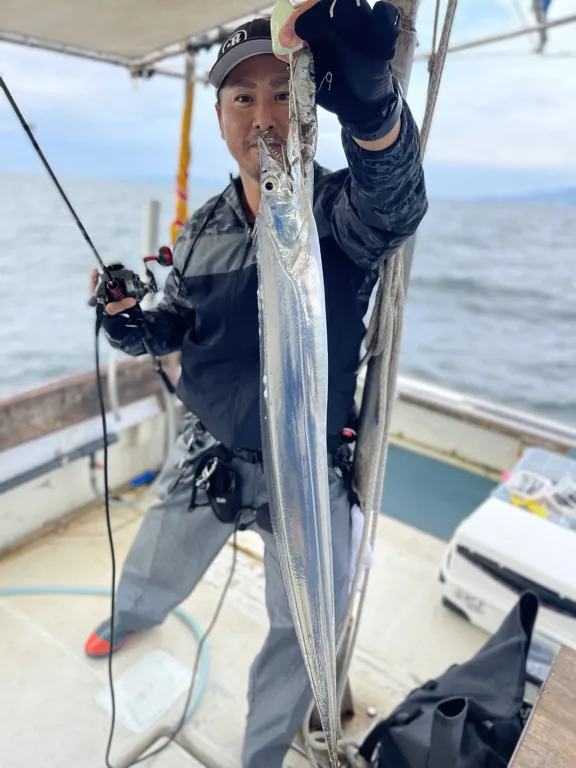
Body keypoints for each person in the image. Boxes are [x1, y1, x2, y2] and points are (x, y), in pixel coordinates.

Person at [86, 1, 428, 765]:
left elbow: (397, 206)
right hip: (211, 440)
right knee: (155, 558)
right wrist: (128, 321)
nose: (263, 116)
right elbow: (173, 324)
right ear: (219, 116)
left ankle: (266, 749)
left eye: (281, 92)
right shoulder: (199, 230)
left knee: (302, 614)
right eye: (243, 97)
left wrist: (374, 114)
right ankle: (136, 610)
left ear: (306, 104)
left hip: (307, 460)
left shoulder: (335, 209)